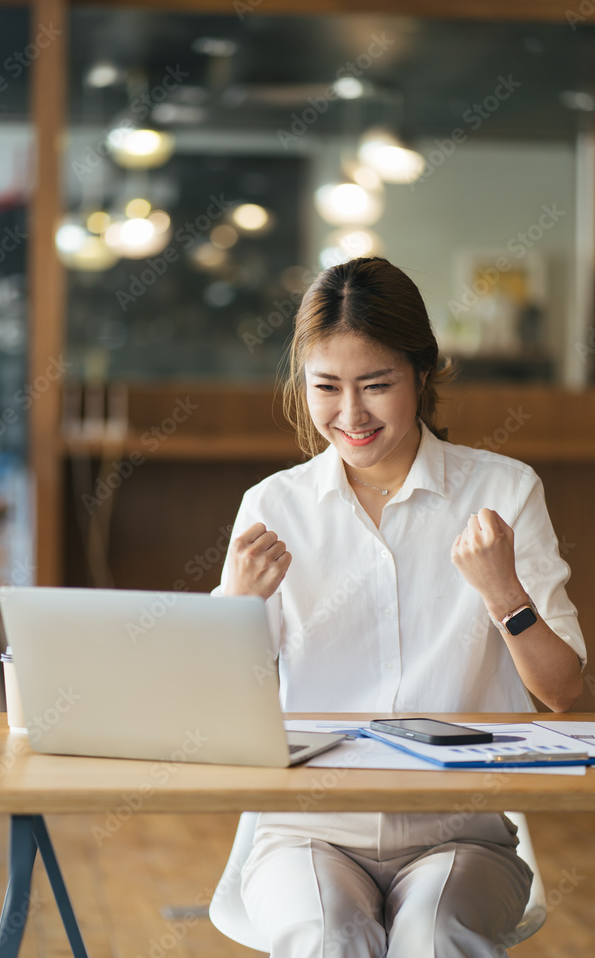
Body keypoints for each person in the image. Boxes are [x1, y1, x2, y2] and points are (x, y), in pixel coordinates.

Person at [214, 256, 586, 958]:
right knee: (328, 935)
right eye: (327, 387)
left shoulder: (504, 490)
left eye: (376, 385)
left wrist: (504, 594)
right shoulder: (273, 505)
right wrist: (236, 607)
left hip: (462, 834)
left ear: (422, 373)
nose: (350, 415)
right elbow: (216, 708)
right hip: (306, 830)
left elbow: (564, 693)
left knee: (435, 935)